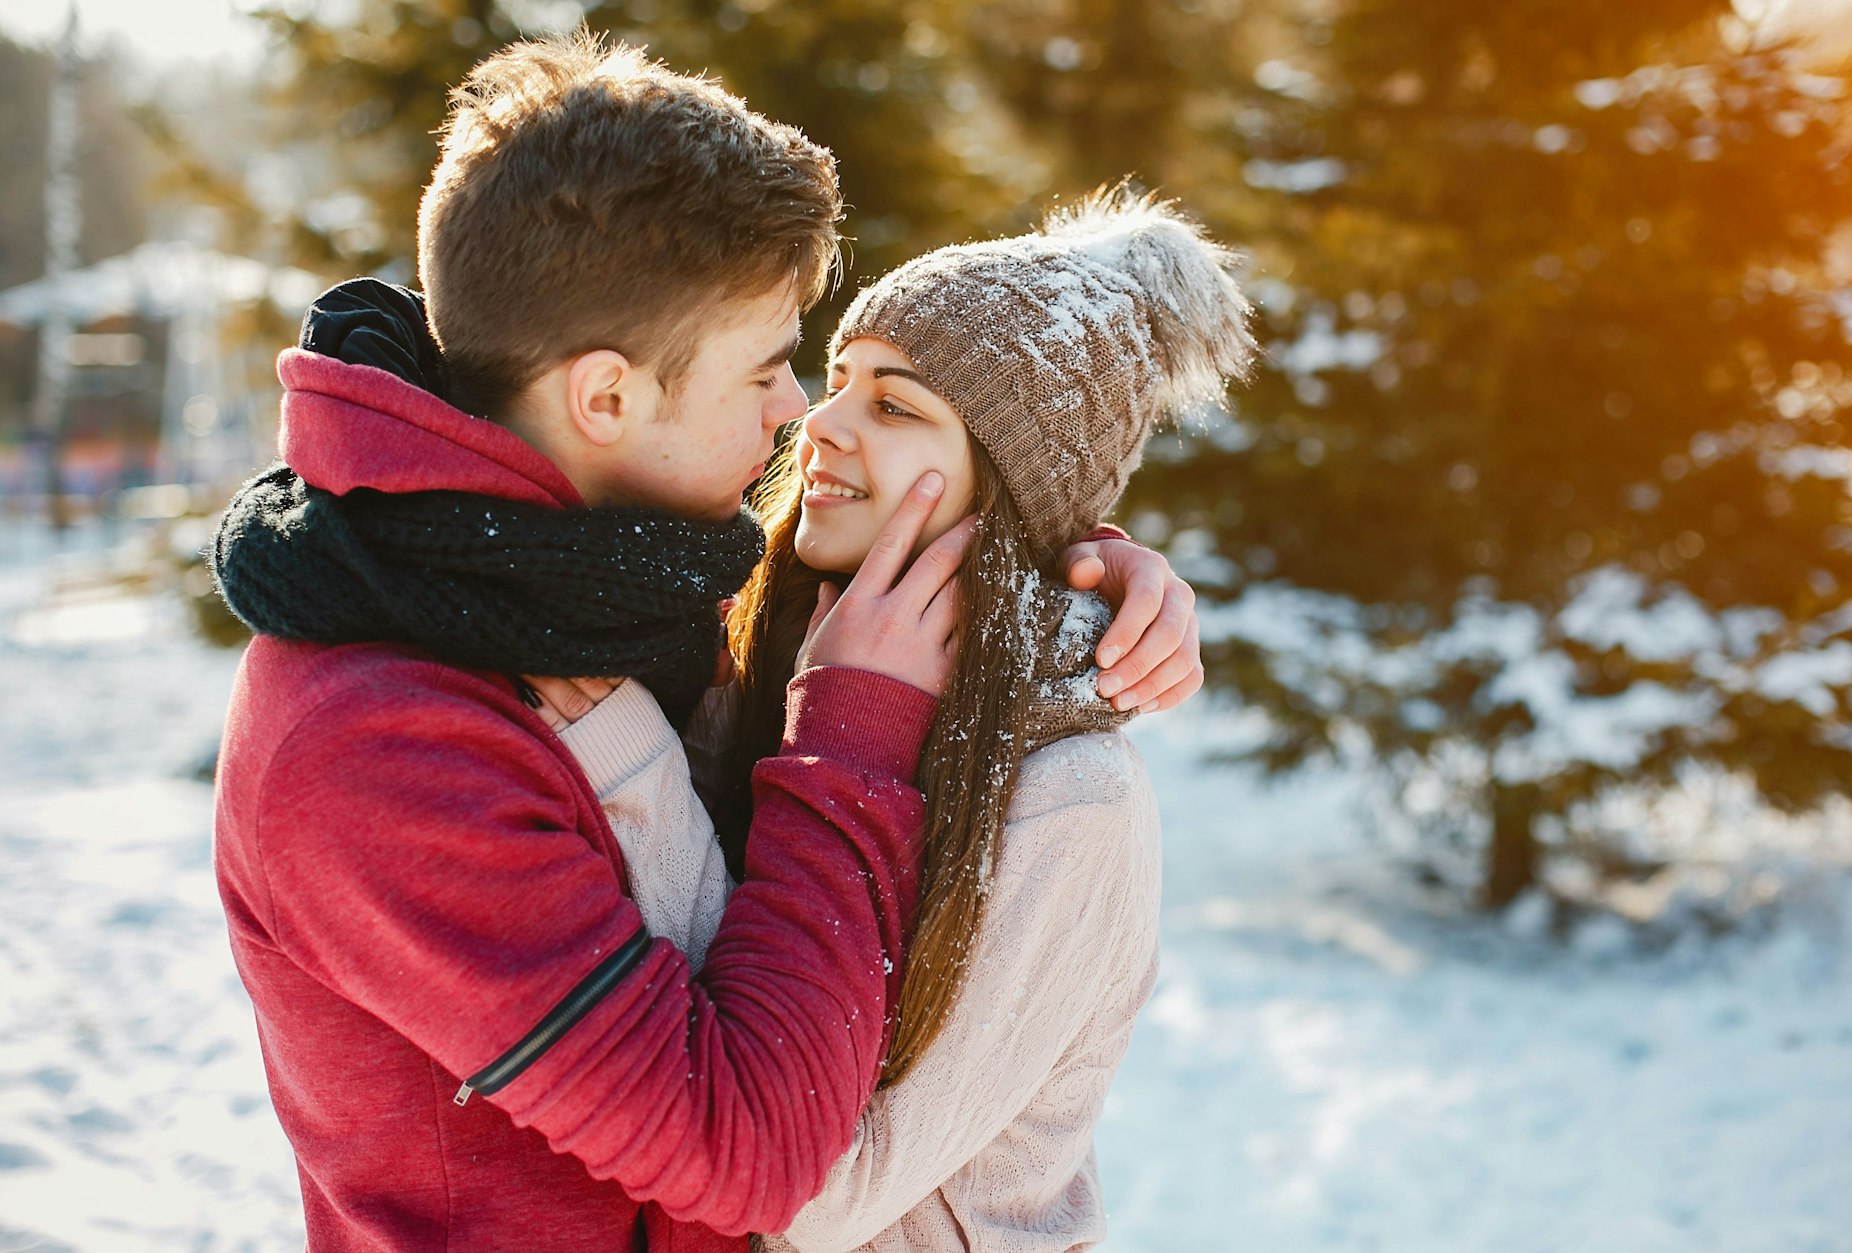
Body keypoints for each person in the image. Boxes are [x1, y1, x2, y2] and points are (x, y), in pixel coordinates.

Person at [206, 36, 1203, 1253]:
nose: (799, 416)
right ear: (608, 399)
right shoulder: (381, 734)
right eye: (781, 368)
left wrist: (1071, 567)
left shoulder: (601, 586)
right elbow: (759, 1157)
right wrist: (852, 737)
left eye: (860, 391)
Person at [540, 190, 1254, 1250]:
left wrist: (635, 761)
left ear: (1002, 489)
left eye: (894, 403)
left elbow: (819, 1187)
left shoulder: (1072, 798)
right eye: (837, 383)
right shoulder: (764, 655)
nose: (817, 422)